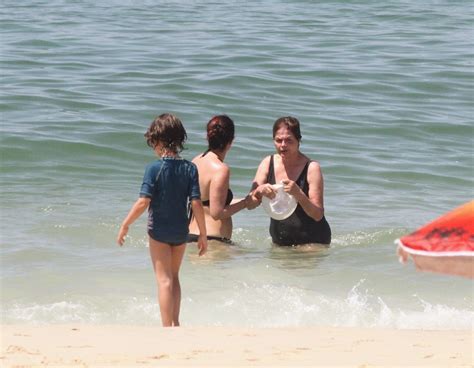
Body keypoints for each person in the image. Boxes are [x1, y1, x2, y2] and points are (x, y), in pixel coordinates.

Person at [117, 113, 207, 327]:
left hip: (158, 231)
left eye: (153, 143)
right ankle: (175, 322)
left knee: (163, 279)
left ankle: (166, 327)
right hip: (180, 231)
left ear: (158, 140)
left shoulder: (154, 168)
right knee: (174, 277)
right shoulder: (190, 168)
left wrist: (125, 224)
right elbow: (196, 203)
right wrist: (202, 233)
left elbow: (143, 202)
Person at [251, 116, 331, 246]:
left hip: (312, 242)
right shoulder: (267, 163)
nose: (283, 145)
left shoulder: (311, 167)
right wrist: (259, 191)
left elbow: (318, 214)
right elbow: (250, 204)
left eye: (289, 140)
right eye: (278, 140)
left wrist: (298, 194)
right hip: (280, 242)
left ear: (298, 140)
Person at [188, 115, 256, 244]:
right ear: (231, 141)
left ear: (207, 137)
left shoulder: (196, 161)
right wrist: (245, 203)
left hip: (191, 236)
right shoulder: (220, 169)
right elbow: (216, 213)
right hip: (213, 241)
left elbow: (209, 203)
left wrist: (246, 200)